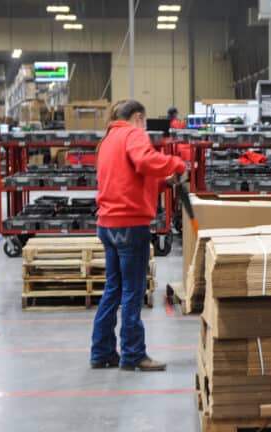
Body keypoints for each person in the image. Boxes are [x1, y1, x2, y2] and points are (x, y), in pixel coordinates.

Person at [91, 99, 186, 371]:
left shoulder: (109, 139)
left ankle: (101, 352)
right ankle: (133, 355)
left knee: (113, 289)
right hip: (129, 225)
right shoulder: (133, 133)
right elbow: (144, 160)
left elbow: (129, 178)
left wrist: (161, 182)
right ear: (138, 117)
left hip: (108, 224)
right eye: (144, 122)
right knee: (133, 292)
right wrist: (176, 165)